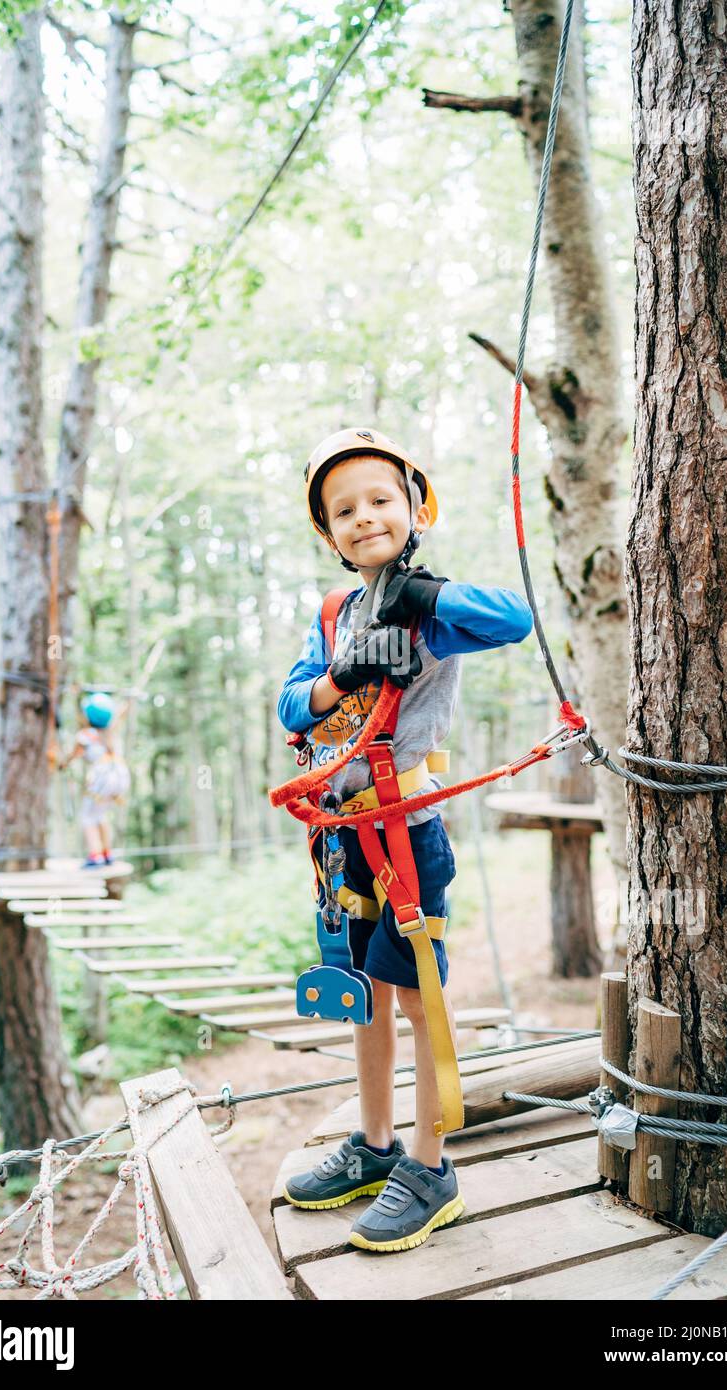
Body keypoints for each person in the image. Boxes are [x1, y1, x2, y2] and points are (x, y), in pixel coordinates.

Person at [276, 426, 533, 1253]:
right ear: (328, 534)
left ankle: (430, 1165)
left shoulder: (435, 612)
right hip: (344, 842)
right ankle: (376, 1144)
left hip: (407, 838)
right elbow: (290, 707)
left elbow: (513, 618)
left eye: (380, 500)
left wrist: (424, 597)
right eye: (343, 510)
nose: (363, 518)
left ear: (415, 507)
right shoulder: (333, 615)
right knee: (364, 998)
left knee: (418, 996)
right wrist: (337, 677)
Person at [59, 691, 131, 869]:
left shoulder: (85, 735)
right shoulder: (110, 730)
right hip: (119, 774)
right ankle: (107, 853)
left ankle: (95, 855)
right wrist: (129, 700)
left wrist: (63, 764)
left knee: (87, 817)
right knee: (100, 815)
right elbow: (121, 713)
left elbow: (72, 756)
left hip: (102, 777)